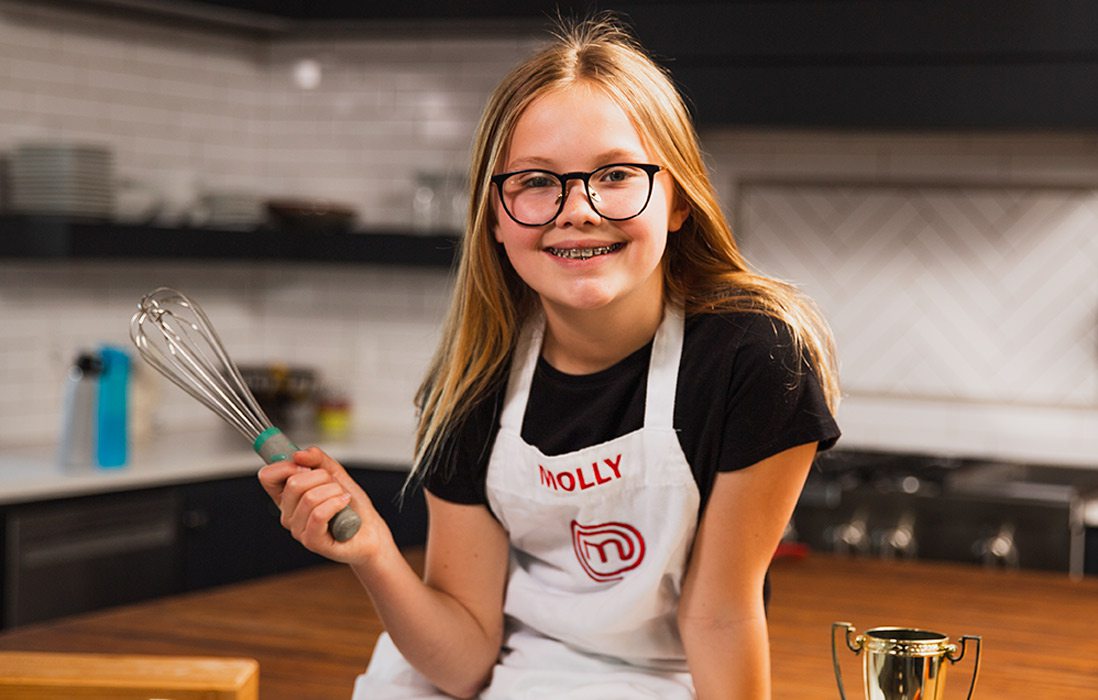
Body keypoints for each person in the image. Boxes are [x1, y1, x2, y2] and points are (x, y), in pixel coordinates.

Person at [258, 14, 840, 699]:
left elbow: (717, 614)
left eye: (616, 174)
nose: (578, 210)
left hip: (660, 680)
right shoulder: (470, 383)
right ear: (496, 219)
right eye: (536, 182)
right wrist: (374, 552)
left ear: (678, 198)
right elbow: (465, 657)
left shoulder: (756, 357)